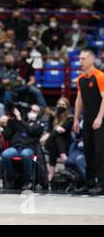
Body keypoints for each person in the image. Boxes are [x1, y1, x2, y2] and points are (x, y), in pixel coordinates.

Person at [73, 49, 104, 195]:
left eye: (83, 59)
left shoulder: (100, 76)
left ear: (91, 60)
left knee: (100, 151)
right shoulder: (80, 79)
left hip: (100, 116)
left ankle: (102, 183)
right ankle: (90, 182)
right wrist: (75, 119)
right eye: (79, 59)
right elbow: (79, 100)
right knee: (88, 150)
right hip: (88, 116)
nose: (80, 61)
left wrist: (99, 117)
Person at [43, 97, 74, 182]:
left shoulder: (70, 118)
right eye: (59, 104)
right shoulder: (52, 116)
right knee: (55, 137)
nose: (60, 106)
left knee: (57, 137)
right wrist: (55, 130)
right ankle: (63, 155)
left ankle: (51, 172)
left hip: (65, 143)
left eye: (63, 105)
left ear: (67, 107)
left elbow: (63, 130)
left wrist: (52, 132)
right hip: (51, 142)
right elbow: (49, 130)